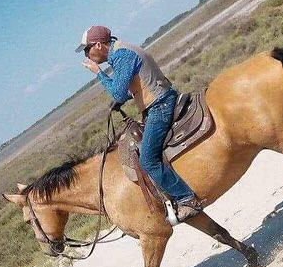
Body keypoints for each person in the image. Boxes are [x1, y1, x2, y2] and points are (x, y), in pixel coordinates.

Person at [77, 25, 202, 223]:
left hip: (160, 104)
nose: (86, 54)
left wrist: (99, 74)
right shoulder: (120, 53)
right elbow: (126, 93)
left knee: (148, 160)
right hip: (157, 103)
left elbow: (118, 93)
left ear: (98, 45)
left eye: (86, 49)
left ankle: (187, 198)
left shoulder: (121, 55)